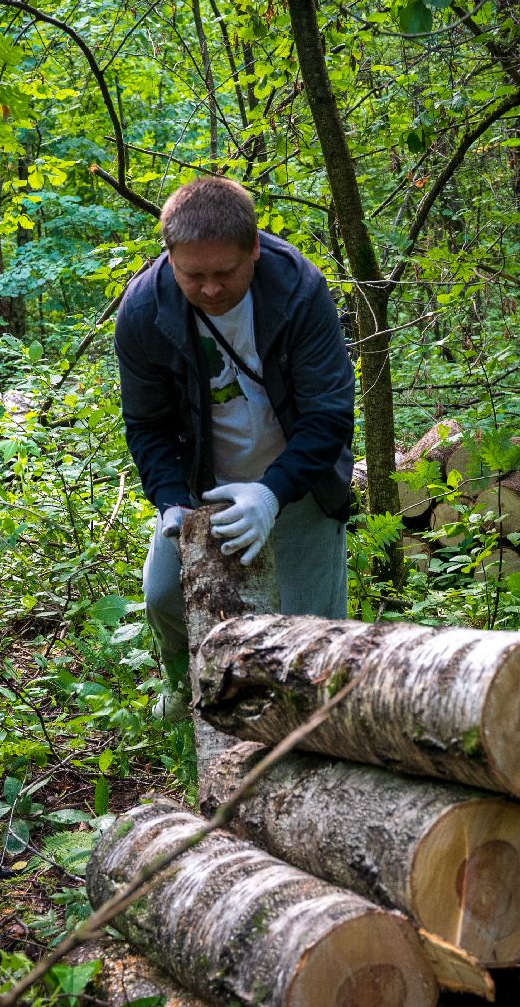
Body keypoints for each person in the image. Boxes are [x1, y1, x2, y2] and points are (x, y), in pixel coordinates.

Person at [115, 176, 355, 714]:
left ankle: (303, 728)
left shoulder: (299, 292)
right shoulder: (143, 312)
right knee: (163, 595)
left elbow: (328, 413)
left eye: (225, 272)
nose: (210, 290)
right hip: (204, 479)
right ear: (169, 256)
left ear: (253, 249)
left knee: (308, 632)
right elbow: (148, 424)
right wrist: (172, 500)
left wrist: (271, 495)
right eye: (192, 275)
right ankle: (186, 682)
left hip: (299, 478)